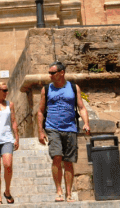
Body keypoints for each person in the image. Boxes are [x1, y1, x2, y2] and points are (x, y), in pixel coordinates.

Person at [37, 62, 91, 202]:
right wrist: (40, 132)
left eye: (52, 73)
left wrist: (86, 123)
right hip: (52, 127)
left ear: (62, 73)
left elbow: (81, 107)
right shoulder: (46, 89)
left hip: (70, 128)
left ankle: (69, 193)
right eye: (49, 73)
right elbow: (40, 111)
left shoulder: (73, 88)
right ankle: (59, 191)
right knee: (57, 157)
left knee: (68, 161)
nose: (50, 75)